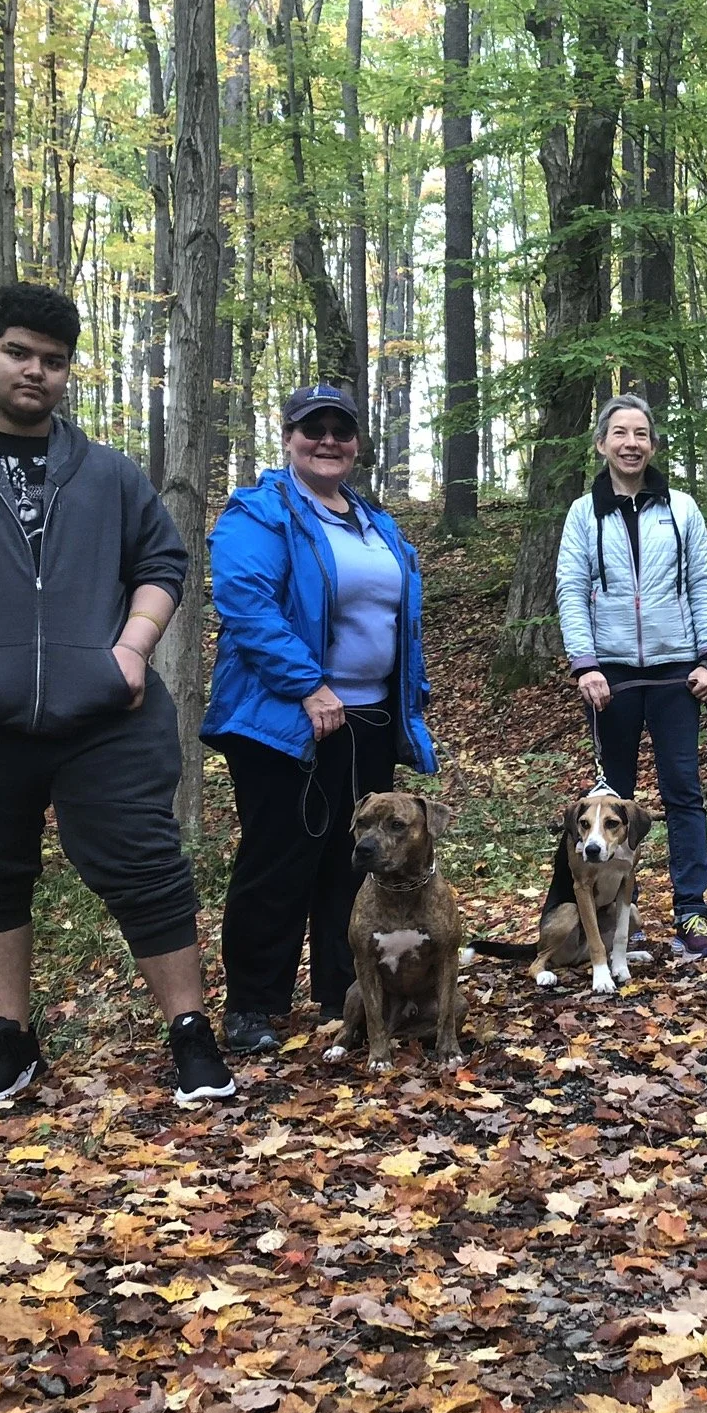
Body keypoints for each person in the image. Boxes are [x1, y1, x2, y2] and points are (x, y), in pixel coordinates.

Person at [0, 282, 236, 1108]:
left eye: (53, 361)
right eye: (18, 353)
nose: (35, 371)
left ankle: (192, 1033)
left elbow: (162, 565)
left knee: (144, 862)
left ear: (67, 374)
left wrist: (132, 652)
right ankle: (10, 1042)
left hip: (106, 715)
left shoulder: (107, 475)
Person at [200, 383, 437, 1054]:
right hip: (286, 722)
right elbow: (246, 603)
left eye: (341, 429)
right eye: (314, 428)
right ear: (289, 435)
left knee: (357, 861)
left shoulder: (371, 519)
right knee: (280, 860)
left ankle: (345, 992)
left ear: (357, 442)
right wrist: (309, 687)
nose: (328, 440)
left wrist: (406, 700)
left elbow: (397, 617)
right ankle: (253, 1006)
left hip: (367, 718)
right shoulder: (260, 511)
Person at [555, 393, 707, 960]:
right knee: (610, 804)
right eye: (620, 434)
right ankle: (622, 914)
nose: (631, 444)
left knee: (683, 792)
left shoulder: (681, 508)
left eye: (641, 434)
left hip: (678, 670)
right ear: (602, 444)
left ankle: (692, 909)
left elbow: (704, 582)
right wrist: (586, 664)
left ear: (653, 444)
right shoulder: (584, 513)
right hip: (611, 676)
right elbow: (572, 592)